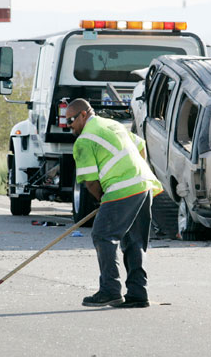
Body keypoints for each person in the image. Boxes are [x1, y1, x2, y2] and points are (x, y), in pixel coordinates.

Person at [66, 98, 163, 308]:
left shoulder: (84, 141)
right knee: (134, 241)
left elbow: (91, 183)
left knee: (103, 235)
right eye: (66, 121)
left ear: (84, 114)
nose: (69, 125)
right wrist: (135, 173)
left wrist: (105, 200)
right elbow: (140, 146)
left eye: (71, 120)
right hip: (143, 184)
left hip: (122, 189)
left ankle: (110, 290)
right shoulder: (112, 124)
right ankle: (138, 293)